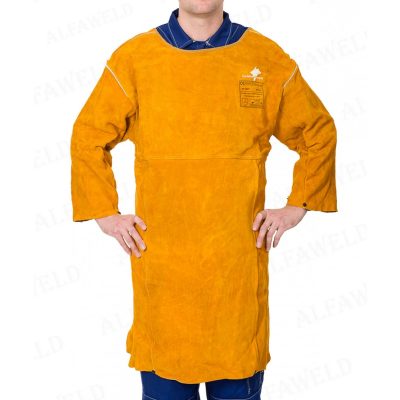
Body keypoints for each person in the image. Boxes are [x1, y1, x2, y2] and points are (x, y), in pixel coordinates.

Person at [70, 1, 338, 399]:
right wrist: (104, 213)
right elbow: (88, 136)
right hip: (164, 280)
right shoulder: (135, 59)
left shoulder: (264, 58)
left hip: (235, 279)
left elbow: (318, 132)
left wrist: (298, 204)